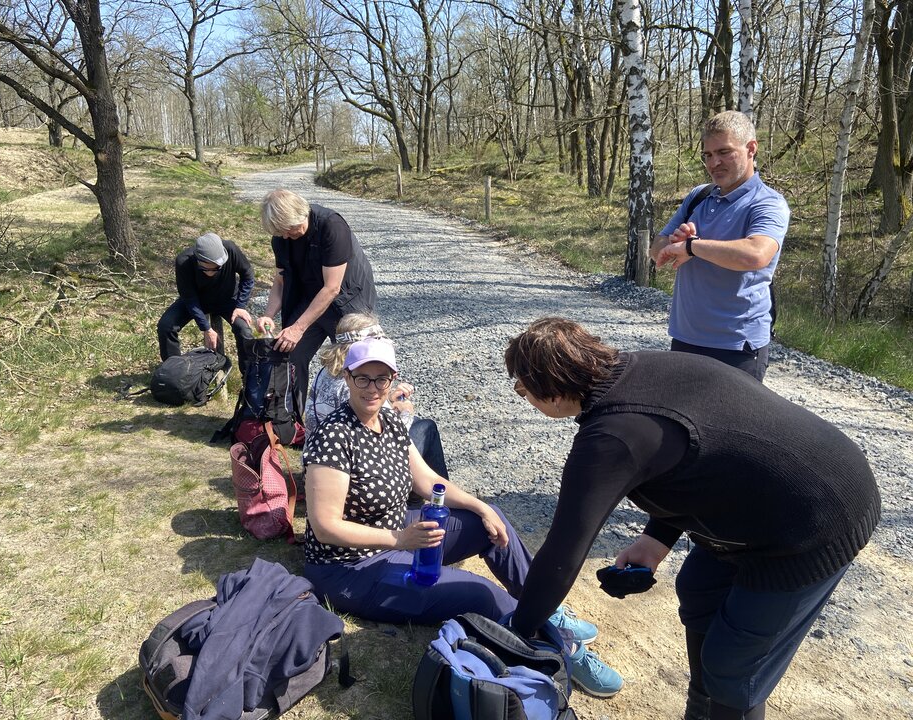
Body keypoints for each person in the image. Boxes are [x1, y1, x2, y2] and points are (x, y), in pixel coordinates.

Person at [504, 317, 881, 720]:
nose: (521, 395)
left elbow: (562, 554)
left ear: (555, 394)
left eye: (523, 390)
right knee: (698, 589)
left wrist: (516, 636)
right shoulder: (638, 370)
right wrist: (657, 538)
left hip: (814, 521)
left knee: (735, 668)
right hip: (768, 499)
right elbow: (704, 453)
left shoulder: (611, 437)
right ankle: (703, 711)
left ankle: (726, 705)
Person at [302, 336, 624, 698]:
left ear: (392, 380)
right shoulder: (334, 435)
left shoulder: (388, 421)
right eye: (363, 378)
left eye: (382, 379)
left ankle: (546, 607)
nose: (373, 388)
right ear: (347, 377)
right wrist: (399, 540)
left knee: (491, 523)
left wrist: (481, 506)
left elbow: (427, 480)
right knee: (482, 594)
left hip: (396, 534)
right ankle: (562, 650)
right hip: (351, 568)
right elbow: (324, 526)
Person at [649, 111, 790, 381]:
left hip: (737, 347)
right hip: (685, 338)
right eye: (708, 155)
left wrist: (692, 248)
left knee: (730, 424)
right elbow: (657, 248)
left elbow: (755, 255)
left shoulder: (768, 203)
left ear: (751, 149)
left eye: (724, 152)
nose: (715, 162)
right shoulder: (698, 196)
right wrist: (675, 244)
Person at [257, 189, 377, 411]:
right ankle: (292, 423)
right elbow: (281, 280)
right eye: (280, 232)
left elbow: (332, 288)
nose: (285, 236)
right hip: (310, 298)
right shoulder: (282, 238)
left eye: (288, 229)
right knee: (289, 353)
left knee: (353, 364)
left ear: (299, 215)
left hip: (348, 300)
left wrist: (297, 328)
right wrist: (268, 314)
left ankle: (353, 424)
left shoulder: (332, 226)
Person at [306, 312, 449, 480]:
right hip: (352, 467)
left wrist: (389, 399)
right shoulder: (348, 385)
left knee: (418, 424)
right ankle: (432, 495)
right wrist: (405, 411)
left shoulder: (328, 371)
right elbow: (389, 433)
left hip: (315, 458)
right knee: (426, 427)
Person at [157, 232, 254, 373]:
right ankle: (175, 373)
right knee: (165, 326)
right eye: (211, 268)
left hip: (227, 300)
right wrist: (206, 328)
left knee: (243, 330)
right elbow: (189, 298)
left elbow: (248, 275)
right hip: (196, 301)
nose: (216, 270)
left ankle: (249, 378)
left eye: (219, 267)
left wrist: (240, 306)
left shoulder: (230, 249)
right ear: (199, 261)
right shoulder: (184, 261)